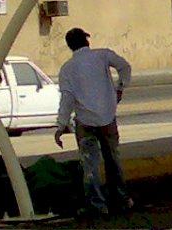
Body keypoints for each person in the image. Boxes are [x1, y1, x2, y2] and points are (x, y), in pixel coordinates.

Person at [54, 27, 133, 216]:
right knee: (113, 160)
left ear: (69, 46)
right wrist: (120, 87)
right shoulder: (103, 55)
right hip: (107, 118)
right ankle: (122, 199)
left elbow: (67, 98)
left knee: (91, 165)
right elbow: (125, 67)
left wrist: (61, 125)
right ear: (87, 41)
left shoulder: (67, 69)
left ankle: (98, 204)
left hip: (85, 121)